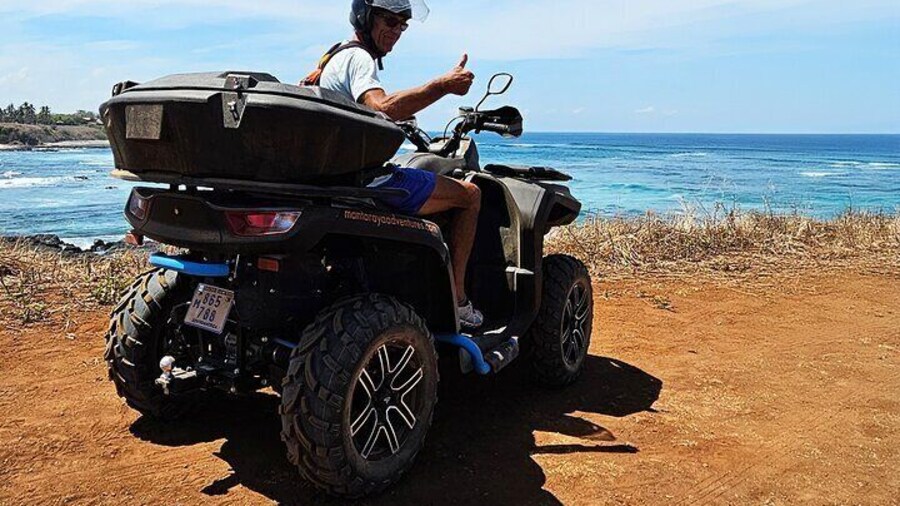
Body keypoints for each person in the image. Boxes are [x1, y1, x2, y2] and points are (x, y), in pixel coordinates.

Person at [304, 0, 484, 328]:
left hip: (332, 179)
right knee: (470, 195)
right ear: (366, 17)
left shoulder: (333, 57)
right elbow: (383, 106)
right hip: (362, 182)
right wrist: (442, 86)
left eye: (403, 24)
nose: (397, 30)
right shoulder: (360, 58)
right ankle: (458, 299)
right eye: (389, 21)